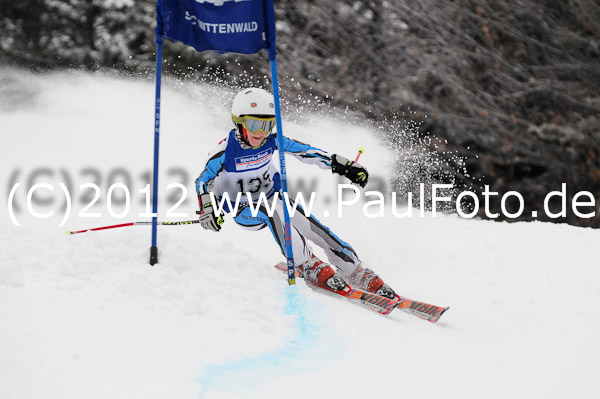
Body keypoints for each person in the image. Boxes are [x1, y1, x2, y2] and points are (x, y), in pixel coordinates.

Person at [195, 87, 396, 299]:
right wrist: (208, 207)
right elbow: (202, 181)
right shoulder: (225, 151)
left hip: (273, 198)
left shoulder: (272, 141)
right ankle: (306, 263)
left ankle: (352, 269)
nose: (261, 132)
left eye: (267, 124)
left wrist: (343, 165)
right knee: (271, 210)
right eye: (254, 124)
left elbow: (306, 152)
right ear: (239, 122)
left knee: (313, 227)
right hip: (243, 210)